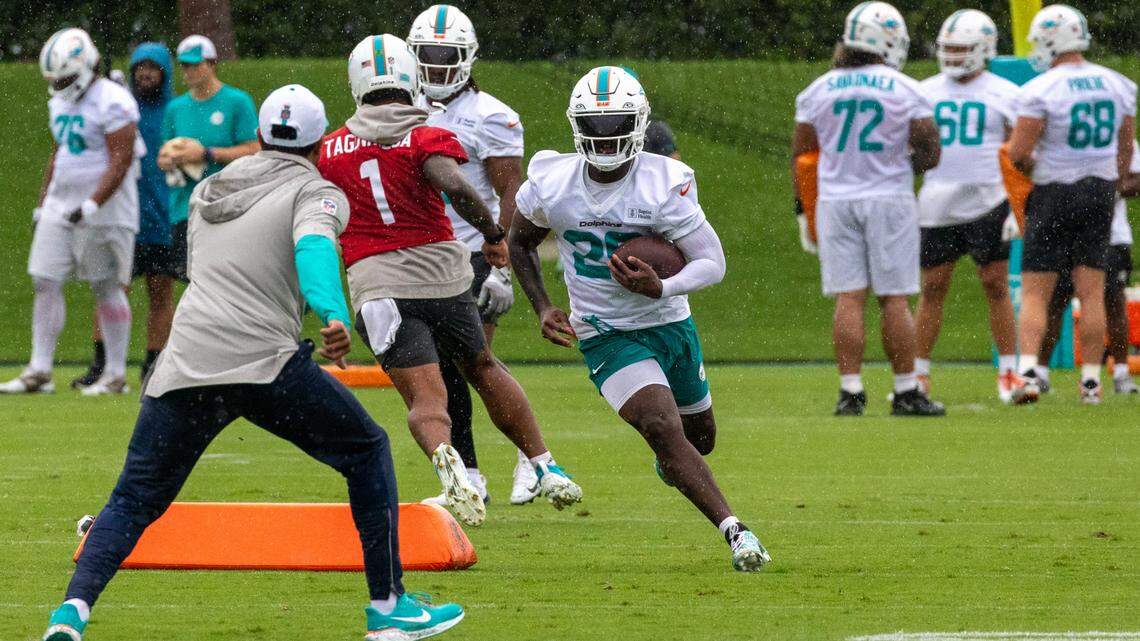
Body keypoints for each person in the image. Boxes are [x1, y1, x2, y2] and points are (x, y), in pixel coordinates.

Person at [40, 85, 466, 641]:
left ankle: (70, 614)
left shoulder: (207, 189)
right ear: (319, 145)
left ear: (262, 136)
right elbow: (313, 247)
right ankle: (388, 606)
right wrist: (333, 314)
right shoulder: (318, 189)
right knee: (366, 451)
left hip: (185, 363)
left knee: (133, 498)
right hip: (265, 364)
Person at [509, 66, 771, 572]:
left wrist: (663, 286)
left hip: (669, 321)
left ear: (640, 121)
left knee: (699, 440)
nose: (605, 138)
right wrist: (542, 304)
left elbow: (712, 262)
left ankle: (674, 459)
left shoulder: (664, 181)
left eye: (617, 124)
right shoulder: (551, 178)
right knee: (659, 423)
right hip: (605, 330)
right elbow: (519, 240)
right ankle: (737, 533)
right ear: (575, 124)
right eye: (594, 125)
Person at [318, 34, 582, 528]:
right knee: (483, 367)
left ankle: (452, 470)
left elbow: (317, 216)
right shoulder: (424, 134)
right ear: (410, 77)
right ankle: (545, 464)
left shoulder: (330, 148)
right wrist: (492, 233)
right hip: (442, 276)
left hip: (377, 285)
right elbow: (454, 184)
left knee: (426, 398)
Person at [407, 5, 539, 507]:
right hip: (426, 256)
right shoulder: (406, 106)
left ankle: (530, 456)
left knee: (472, 363)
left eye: (448, 57)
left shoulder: (491, 115)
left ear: (468, 59)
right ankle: (472, 475)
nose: (438, 67)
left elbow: (510, 192)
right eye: (429, 57)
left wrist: (501, 254)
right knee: (447, 369)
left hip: (474, 249)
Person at [791, 2, 944, 416]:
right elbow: (931, 149)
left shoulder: (817, 90)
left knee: (849, 297)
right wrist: (904, 164)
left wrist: (802, 209)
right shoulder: (905, 87)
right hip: (889, 197)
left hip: (836, 199)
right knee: (894, 299)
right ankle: (907, 389)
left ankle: (851, 391)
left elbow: (802, 154)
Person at [1007, 4, 1137, 404]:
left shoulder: (1040, 89)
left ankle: (1028, 373)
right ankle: (1092, 383)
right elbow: (1124, 148)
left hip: (1053, 191)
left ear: (1050, 38)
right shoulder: (1118, 84)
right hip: (1099, 193)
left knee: (1035, 292)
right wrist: (1109, 184)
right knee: (1093, 291)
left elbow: (1018, 153)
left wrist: (1034, 166)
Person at [1, 28, 140, 397]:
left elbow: (121, 158)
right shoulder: (60, 102)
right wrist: (44, 202)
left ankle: (114, 375)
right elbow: (59, 153)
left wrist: (92, 203)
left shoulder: (113, 100)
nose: (59, 84)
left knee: (106, 287)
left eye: (63, 76)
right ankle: (39, 370)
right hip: (63, 204)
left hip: (107, 209)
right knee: (44, 279)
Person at [913, 10, 1022, 402]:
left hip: (988, 200)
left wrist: (1016, 205)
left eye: (963, 49)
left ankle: (1009, 372)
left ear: (984, 49)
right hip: (937, 201)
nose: (955, 57)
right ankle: (918, 376)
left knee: (996, 286)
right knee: (932, 288)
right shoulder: (923, 90)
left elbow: (1019, 154)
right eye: (950, 49)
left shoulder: (1007, 93)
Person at [72, 42, 178, 389]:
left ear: (164, 72)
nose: (145, 73)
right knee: (110, 287)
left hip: (162, 217)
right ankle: (101, 362)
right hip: (124, 215)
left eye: (152, 67)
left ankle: (153, 364)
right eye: (140, 67)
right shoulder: (121, 108)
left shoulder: (173, 111)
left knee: (160, 292)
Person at [1036, 143, 1140, 394]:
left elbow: (1135, 182)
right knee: (1055, 301)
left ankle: (1121, 374)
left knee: (1113, 301)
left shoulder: (1117, 134)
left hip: (1110, 234)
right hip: (1064, 233)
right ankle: (1039, 373)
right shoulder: (1062, 129)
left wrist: (1102, 194)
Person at [158, 34, 259, 282]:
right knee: (193, 282)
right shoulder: (175, 108)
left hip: (227, 205)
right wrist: (169, 160)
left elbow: (255, 149)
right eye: (185, 65)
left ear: (212, 63)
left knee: (228, 281)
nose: (189, 71)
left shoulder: (236, 102)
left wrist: (207, 154)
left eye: (195, 64)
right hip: (185, 208)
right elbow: (163, 154)